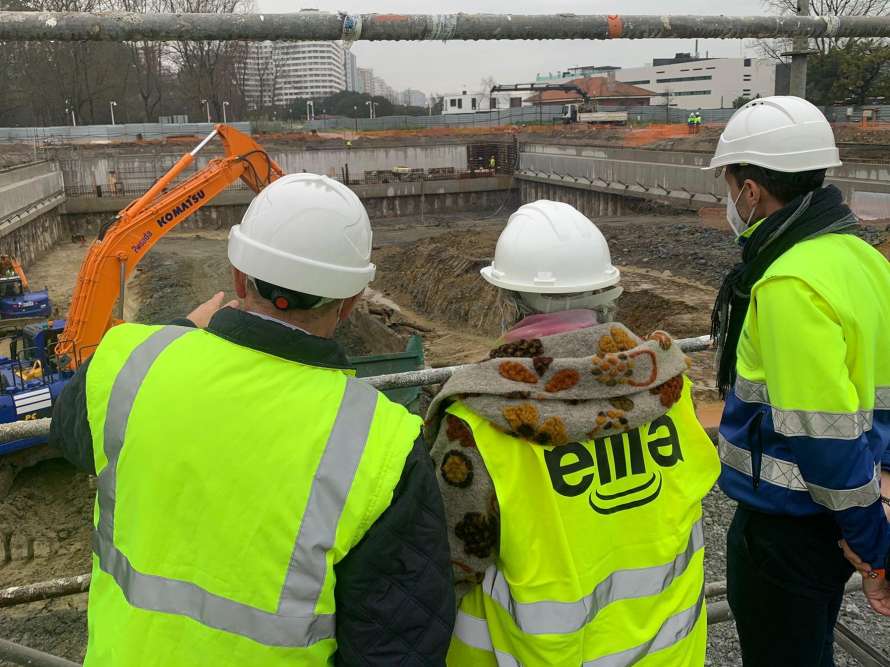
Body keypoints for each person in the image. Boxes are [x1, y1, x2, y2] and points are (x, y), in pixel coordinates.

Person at [50, 173, 455, 666]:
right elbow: (399, 646)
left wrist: (177, 332)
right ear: (350, 302)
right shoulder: (382, 444)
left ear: (239, 277)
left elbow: (67, 433)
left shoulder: (132, 363)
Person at [426, 200, 721, 666]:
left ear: (509, 301)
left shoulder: (477, 421)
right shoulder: (667, 389)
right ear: (607, 292)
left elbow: (450, 565)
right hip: (668, 653)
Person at [706, 96, 890, 667]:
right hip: (854, 504)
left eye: (728, 182)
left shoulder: (788, 282)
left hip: (790, 527)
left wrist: (873, 546)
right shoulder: (863, 259)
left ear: (751, 190)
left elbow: (823, 434)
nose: (728, 198)